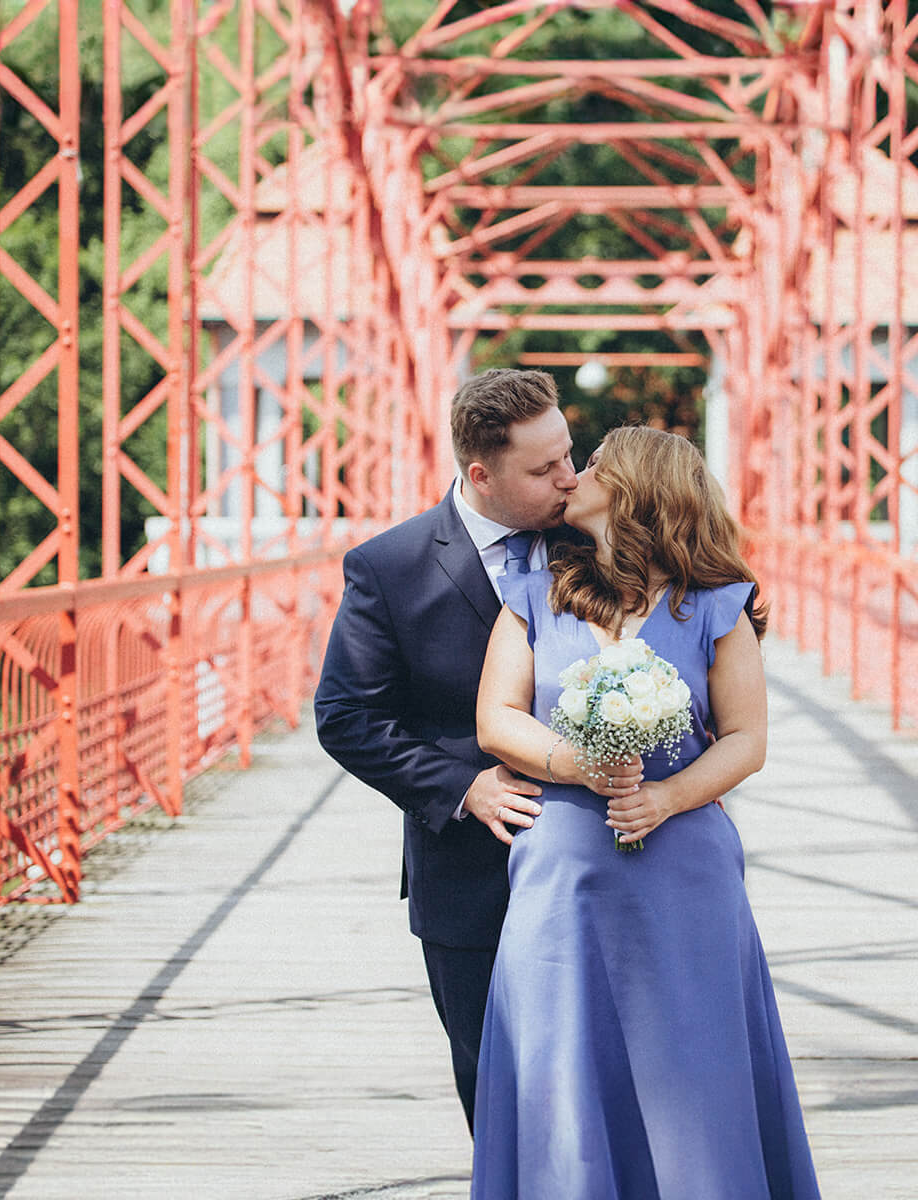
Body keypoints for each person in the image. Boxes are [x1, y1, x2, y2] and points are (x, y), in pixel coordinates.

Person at [471, 426, 821, 1199]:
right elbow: (496, 718)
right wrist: (575, 765)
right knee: (562, 1054)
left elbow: (747, 739)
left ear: (636, 491)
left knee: (696, 1063)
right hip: (563, 870)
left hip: (684, 866)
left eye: (594, 465)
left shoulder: (718, 607)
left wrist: (666, 797)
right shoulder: (535, 594)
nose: (574, 476)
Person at [313, 368, 578, 1132]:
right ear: (481, 475)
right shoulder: (388, 568)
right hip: (469, 870)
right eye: (544, 468)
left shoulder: (596, 536)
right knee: (493, 1082)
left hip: (602, 855)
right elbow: (346, 716)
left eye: (569, 452)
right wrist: (464, 788)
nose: (570, 477)